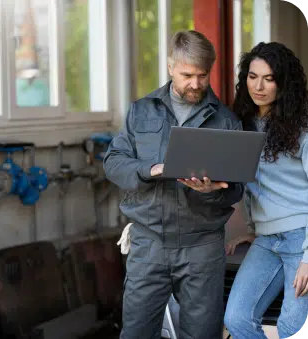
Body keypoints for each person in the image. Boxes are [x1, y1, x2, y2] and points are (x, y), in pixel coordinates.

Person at [104, 30, 244, 339]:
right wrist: (149, 169)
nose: (195, 83)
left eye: (203, 75)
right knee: (137, 333)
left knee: (203, 334)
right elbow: (113, 163)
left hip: (202, 246)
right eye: (187, 75)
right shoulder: (140, 111)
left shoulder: (226, 122)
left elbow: (236, 189)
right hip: (149, 241)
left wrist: (213, 191)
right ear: (171, 67)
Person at [224, 42, 308, 339]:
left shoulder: (302, 127)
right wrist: (254, 228)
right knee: (236, 319)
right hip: (268, 239)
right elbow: (254, 185)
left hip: (302, 237)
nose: (258, 86)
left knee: (292, 329)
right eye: (252, 76)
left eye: (269, 79)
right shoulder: (243, 123)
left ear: (284, 84)